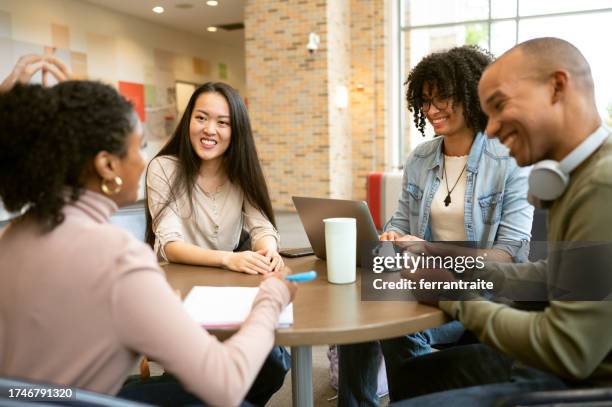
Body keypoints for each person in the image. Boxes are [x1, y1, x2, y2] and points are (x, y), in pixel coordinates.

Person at [0, 77, 296, 406]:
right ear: (107, 165)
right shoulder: (119, 258)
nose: (144, 163)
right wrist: (271, 298)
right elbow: (225, 383)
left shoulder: (12, 236)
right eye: (139, 146)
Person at [391, 37, 612, 406]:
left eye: (498, 106)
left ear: (557, 87)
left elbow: (568, 350)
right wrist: (450, 262)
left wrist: (455, 296)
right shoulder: (579, 174)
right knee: (412, 377)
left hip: (577, 381)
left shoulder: (600, 186)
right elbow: (551, 274)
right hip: (558, 360)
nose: (489, 130)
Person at [338, 45, 534, 406]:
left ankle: (415, 397)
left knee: (396, 326)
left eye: (441, 97)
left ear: (471, 94)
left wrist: (428, 249)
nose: (430, 110)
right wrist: (392, 236)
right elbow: (399, 222)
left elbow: (508, 256)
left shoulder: (509, 160)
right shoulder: (421, 158)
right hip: (420, 278)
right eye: (424, 100)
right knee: (361, 306)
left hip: (479, 290)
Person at [145, 82, 283, 276]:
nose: (209, 129)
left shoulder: (242, 170)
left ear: (237, 130)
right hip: (177, 280)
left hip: (226, 279)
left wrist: (268, 250)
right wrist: (228, 258)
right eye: (201, 118)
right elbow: (170, 245)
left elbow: (262, 227)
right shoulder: (164, 168)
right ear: (188, 121)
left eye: (223, 122)